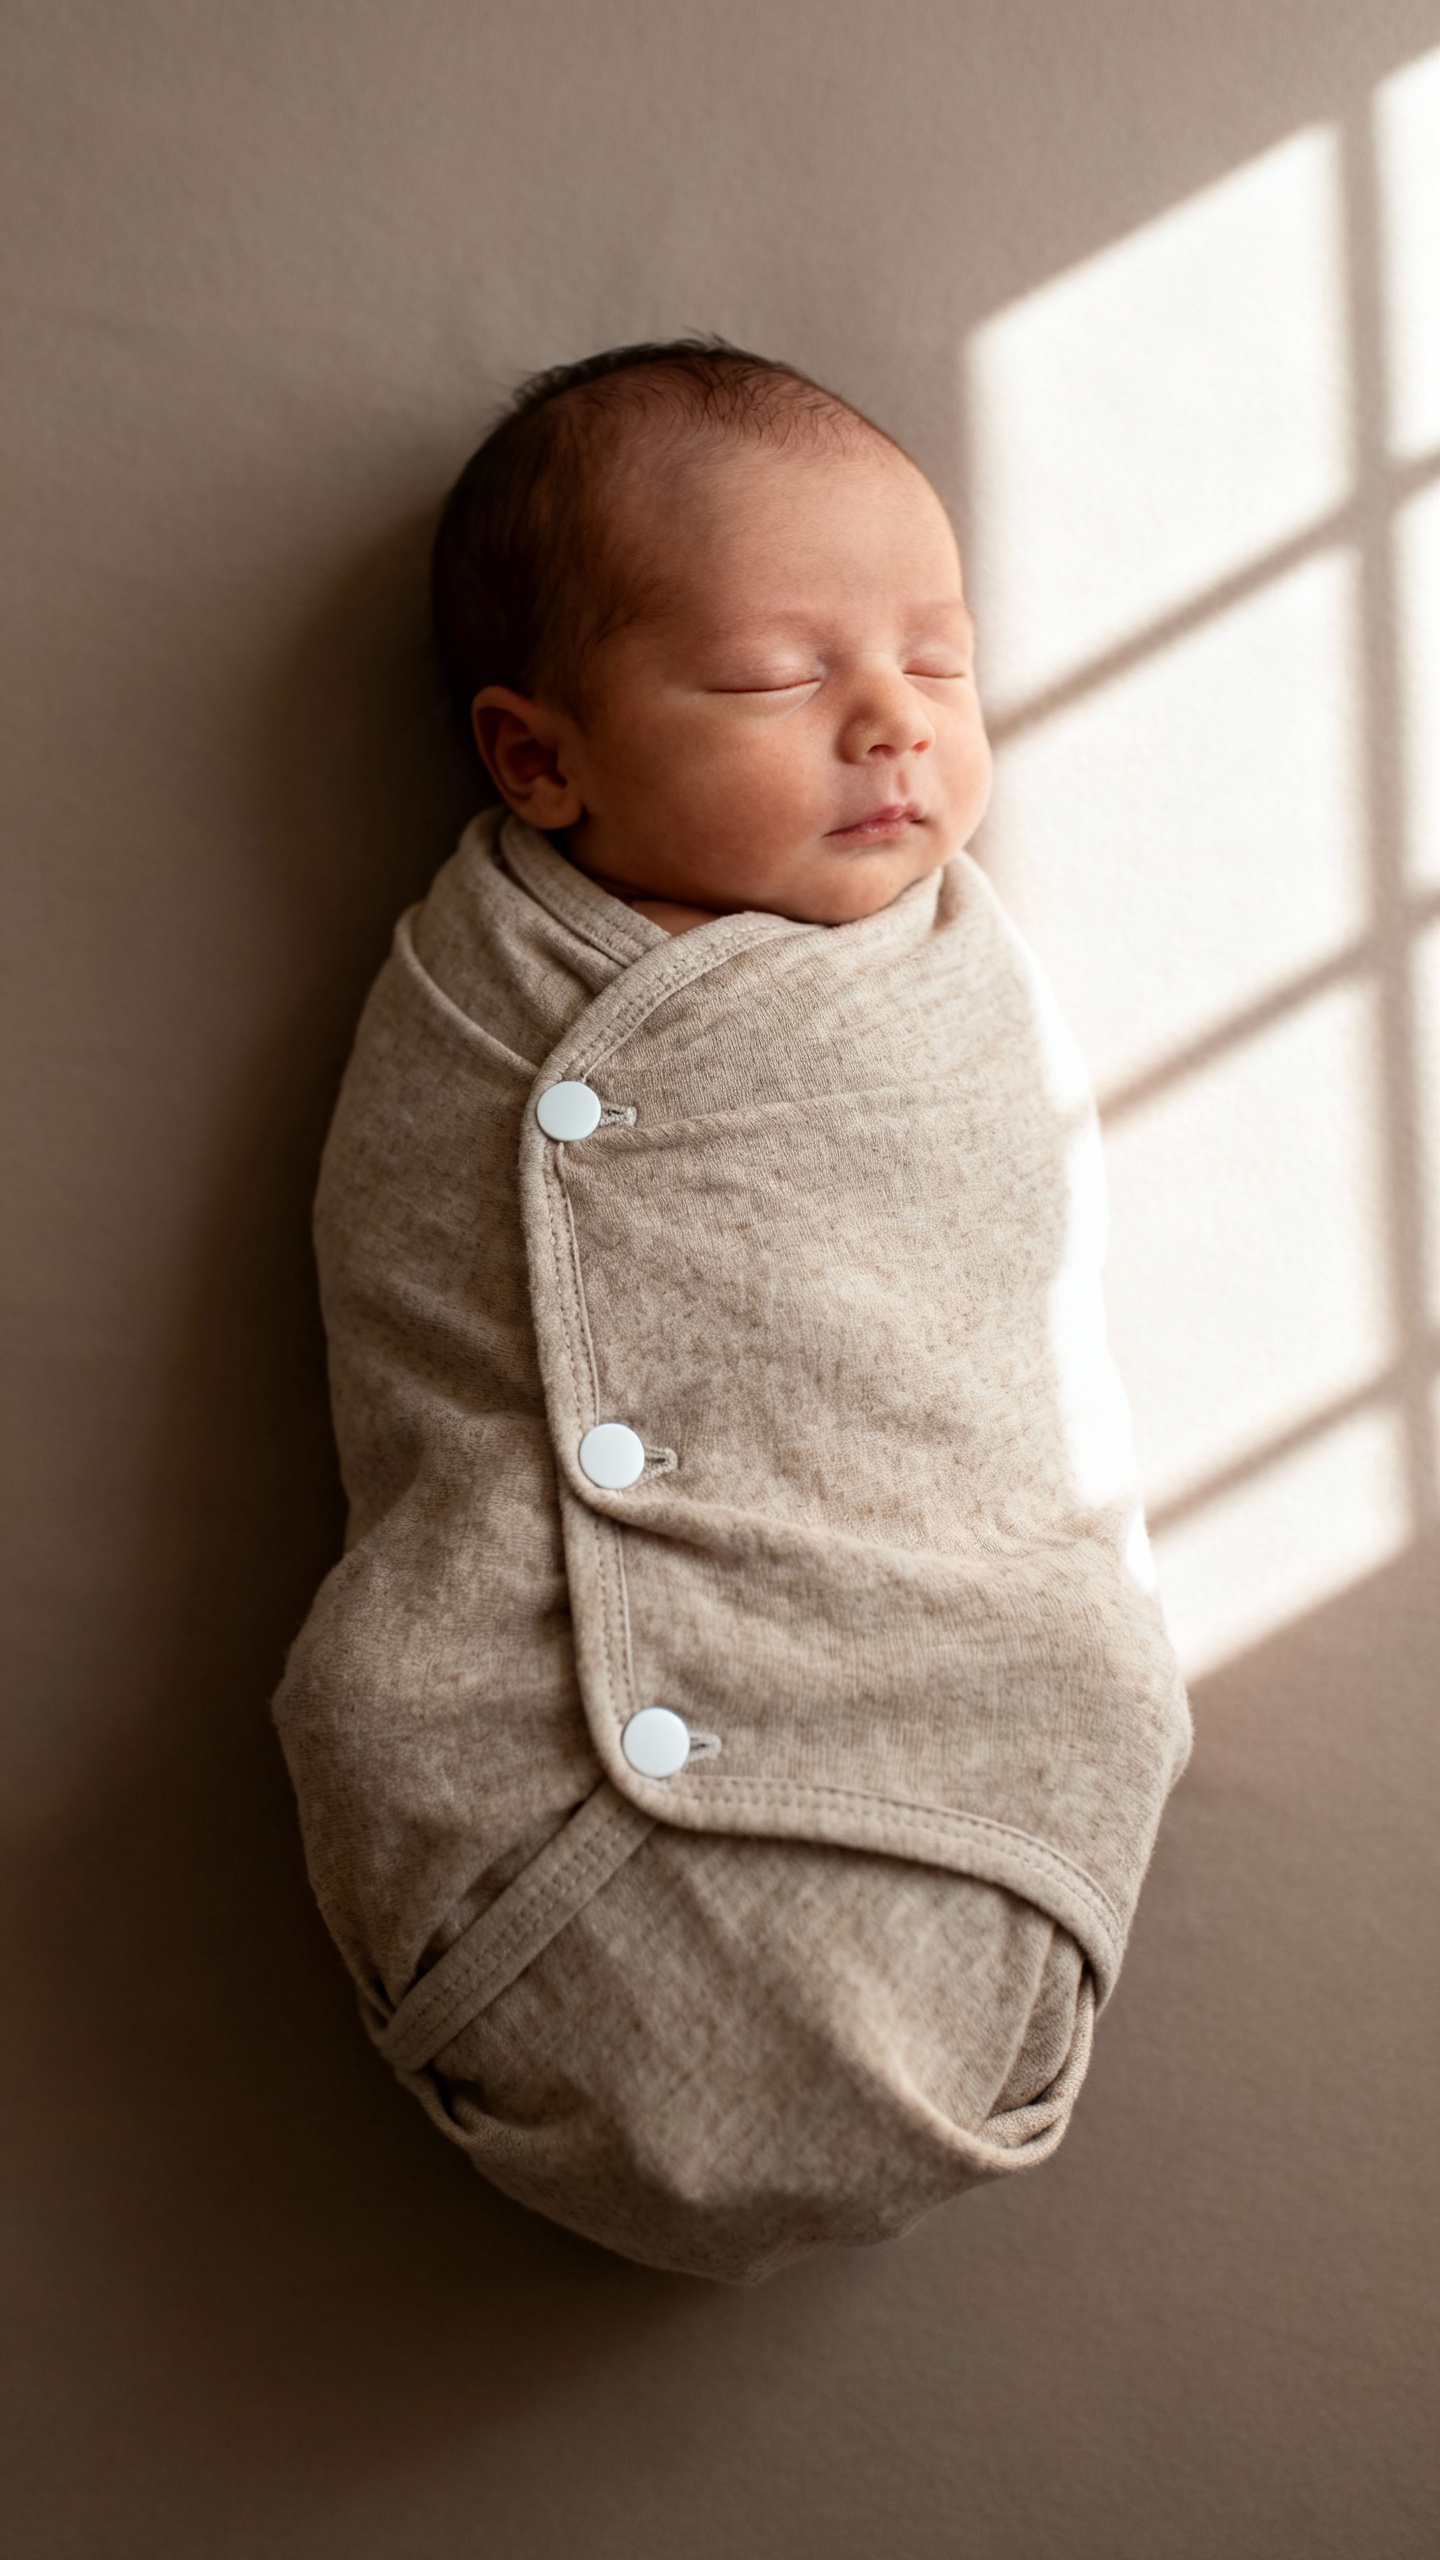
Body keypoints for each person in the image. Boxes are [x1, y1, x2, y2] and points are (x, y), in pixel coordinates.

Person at [273, 340, 1190, 2282]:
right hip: (539, 1813)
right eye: (785, 677)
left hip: (963, 1700)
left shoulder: (949, 996)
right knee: (386, 1691)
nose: (894, 729)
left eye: (938, 664)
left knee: (1086, 1648)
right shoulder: (477, 996)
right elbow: (412, 1306)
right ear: (540, 758)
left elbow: (997, 1317)